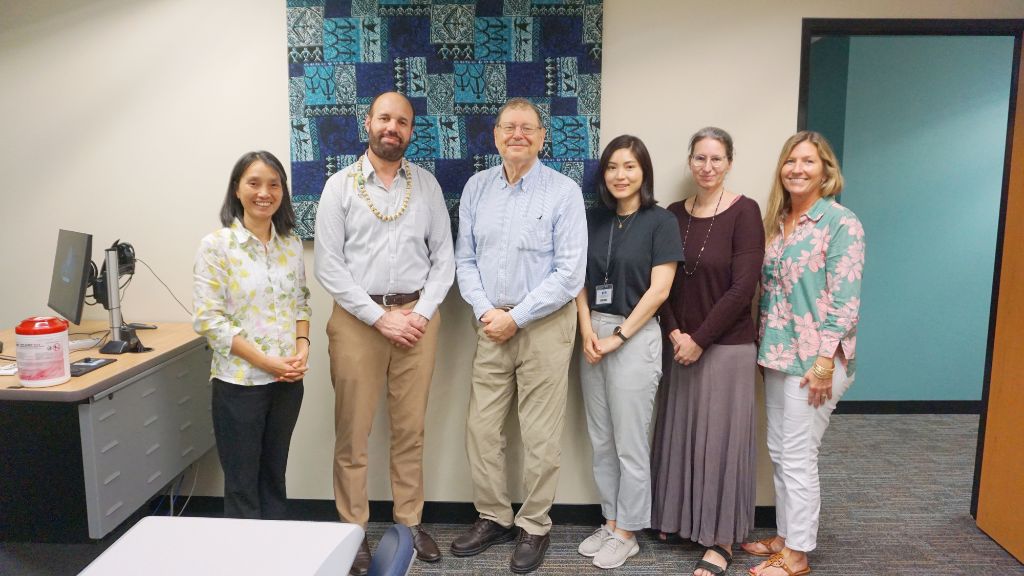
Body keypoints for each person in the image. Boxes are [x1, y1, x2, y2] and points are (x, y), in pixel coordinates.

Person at [314, 92, 455, 576]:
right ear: (368, 123)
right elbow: (329, 267)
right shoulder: (340, 187)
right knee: (353, 435)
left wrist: (421, 313)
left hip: (419, 318)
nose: (393, 127)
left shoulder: (428, 186)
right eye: (385, 118)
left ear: (411, 131)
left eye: (403, 121)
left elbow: (444, 259)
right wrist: (379, 318)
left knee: (409, 429)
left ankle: (408, 522)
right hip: (358, 320)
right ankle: (353, 532)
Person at [451, 97, 587, 574]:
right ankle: (493, 516)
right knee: (482, 429)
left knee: (540, 435)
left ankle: (535, 525)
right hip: (490, 324)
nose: (518, 135)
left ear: (541, 137)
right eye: (509, 127)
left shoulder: (563, 192)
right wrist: (488, 311)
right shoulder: (475, 188)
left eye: (527, 128)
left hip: (545, 326)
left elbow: (570, 274)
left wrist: (519, 316)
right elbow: (463, 260)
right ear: (495, 135)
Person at [742, 131, 865, 576]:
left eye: (809, 161)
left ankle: (796, 555)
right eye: (791, 160)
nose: (797, 168)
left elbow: (845, 301)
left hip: (815, 361)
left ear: (826, 171)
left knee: (798, 456)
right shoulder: (779, 223)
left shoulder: (840, 222)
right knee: (781, 449)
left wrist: (824, 362)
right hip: (777, 355)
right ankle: (784, 536)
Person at [649, 127, 765, 576]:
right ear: (690, 161)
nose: (707, 166)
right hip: (679, 345)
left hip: (727, 347)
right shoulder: (673, 214)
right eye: (700, 158)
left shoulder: (745, 212)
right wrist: (676, 332)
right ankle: (679, 520)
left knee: (721, 443)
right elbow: (663, 282)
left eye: (717, 158)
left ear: (730, 162)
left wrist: (700, 339)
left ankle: (720, 540)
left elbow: (743, 288)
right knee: (681, 433)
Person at [575, 135, 682, 569]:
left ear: (644, 173)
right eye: (613, 167)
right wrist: (587, 332)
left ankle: (629, 531)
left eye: (630, 167)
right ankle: (611, 518)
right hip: (593, 333)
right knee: (601, 439)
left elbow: (660, 291)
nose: (621, 175)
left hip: (634, 335)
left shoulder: (661, 221)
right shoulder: (593, 220)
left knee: (629, 442)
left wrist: (617, 337)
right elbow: (578, 283)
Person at [192, 150, 311, 520]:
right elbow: (209, 321)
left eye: (274, 184)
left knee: (274, 477)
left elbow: (302, 303)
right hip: (239, 385)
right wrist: (265, 362)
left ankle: (276, 558)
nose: (265, 192)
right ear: (237, 190)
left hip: (287, 383)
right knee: (243, 484)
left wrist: (302, 348)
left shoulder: (290, 244)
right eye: (254, 183)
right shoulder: (217, 246)